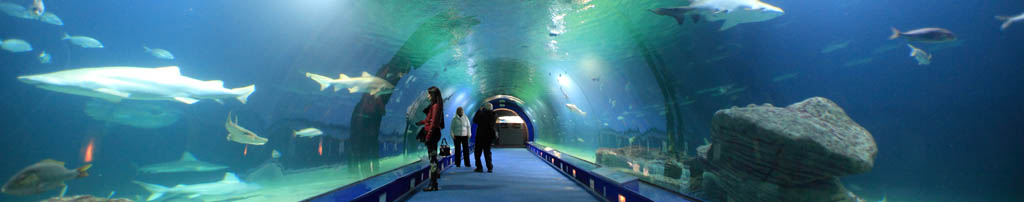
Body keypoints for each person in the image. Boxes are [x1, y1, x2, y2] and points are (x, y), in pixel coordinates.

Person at [415, 87, 444, 191]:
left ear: (433, 95)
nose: (428, 96)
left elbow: (434, 123)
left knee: (432, 159)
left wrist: (428, 136)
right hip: (433, 134)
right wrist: (421, 122)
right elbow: (430, 119)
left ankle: (433, 183)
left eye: (429, 94)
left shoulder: (436, 106)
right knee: (433, 158)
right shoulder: (435, 106)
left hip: (432, 135)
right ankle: (434, 181)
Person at [473, 103, 497, 173]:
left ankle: (479, 167)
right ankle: (489, 167)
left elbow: (475, 120)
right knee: (487, 152)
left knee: (478, 153)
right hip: (489, 136)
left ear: (485, 108)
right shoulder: (494, 115)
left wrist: (479, 111)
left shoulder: (481, 114)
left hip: (480, 136)